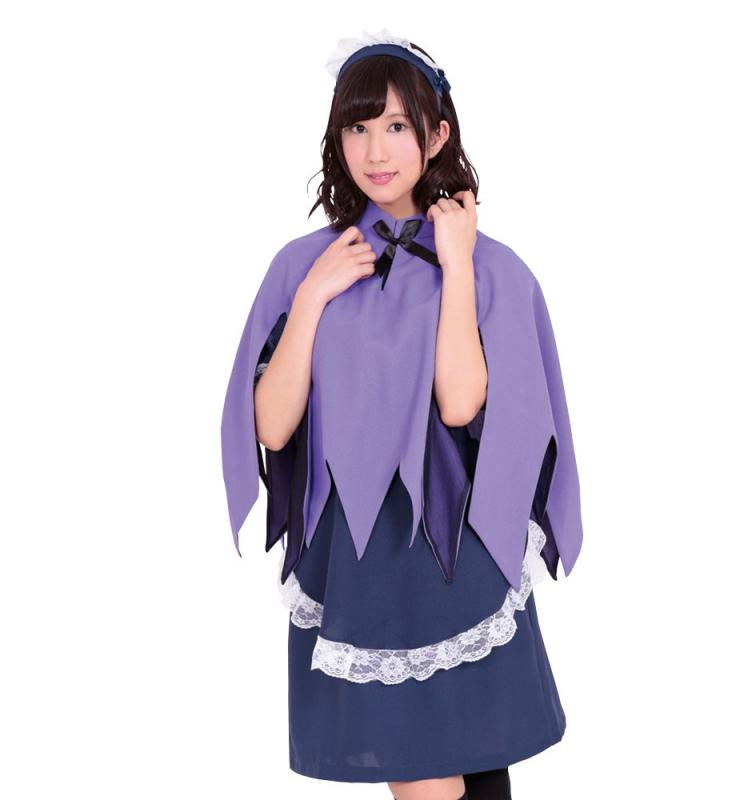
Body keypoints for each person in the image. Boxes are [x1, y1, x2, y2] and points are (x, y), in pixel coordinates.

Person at [220, 28, 585, 800]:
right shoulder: (303, 266)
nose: (375, 150)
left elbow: (461, 401)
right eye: (357, 127)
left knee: (476, 776)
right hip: (363, 565)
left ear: (437, 134)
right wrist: (314, 296)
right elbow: (272, 427)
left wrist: (455, 262)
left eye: (395, 125)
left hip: (453, 557)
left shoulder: (491, 268)